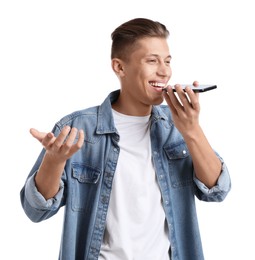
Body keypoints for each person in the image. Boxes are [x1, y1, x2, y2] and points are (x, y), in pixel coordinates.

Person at [20, 18, 231, 260]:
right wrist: (54, 161)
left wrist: (191, 130)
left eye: (167, 61)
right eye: (152, 61)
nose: (164, 71)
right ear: (120, 67)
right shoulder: (78, 128)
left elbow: (217, 190)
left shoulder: (177, 126)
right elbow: (35, 211)